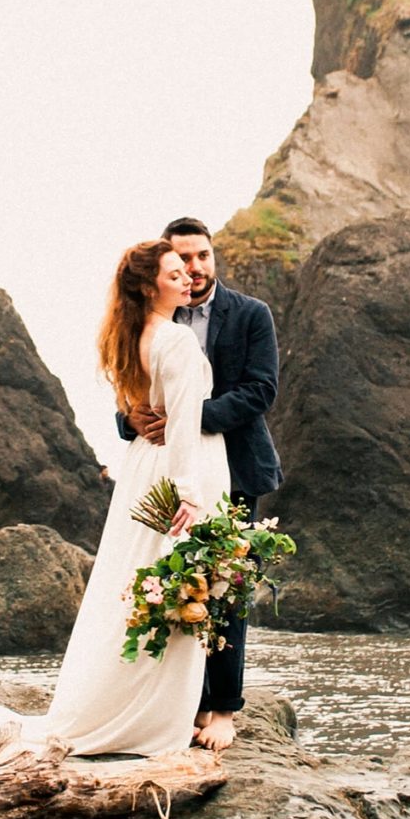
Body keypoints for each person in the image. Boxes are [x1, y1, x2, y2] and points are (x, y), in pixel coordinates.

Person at [40, 239, 230, 758]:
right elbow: (185, 423)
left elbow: (143, 410)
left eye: (186, 271)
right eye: (174, 274)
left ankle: (117, 697)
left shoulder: (130, 336)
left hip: (144, 467)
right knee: (179, 587)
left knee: (137, 584)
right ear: (150, 287)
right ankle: (152, 715)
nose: (188, 278)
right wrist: (188, 495)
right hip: (177, 468)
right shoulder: (176, 341)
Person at [119, 216, 281, 752]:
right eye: (183, 259)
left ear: (214, 257)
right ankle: (180, 704)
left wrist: (192, 415)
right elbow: (132, 398)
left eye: (203, 256)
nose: (194, 268)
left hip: (233, 471)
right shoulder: (151, 321)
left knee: (225, 591)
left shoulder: (252, 315)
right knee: (170, 589)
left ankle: (223, 710)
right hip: (169, 477)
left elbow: (261, 391)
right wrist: (132, 421)